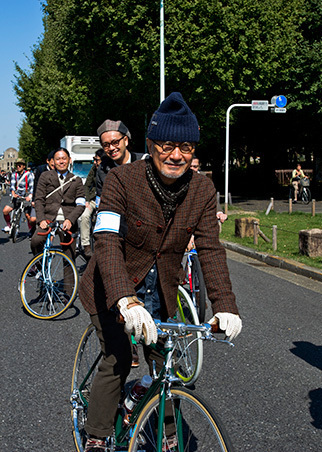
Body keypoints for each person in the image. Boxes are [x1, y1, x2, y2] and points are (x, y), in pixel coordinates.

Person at [77, 92, 242, 451]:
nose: (176, 155)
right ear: (151, 145)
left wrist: (225, 305)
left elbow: (210, 249)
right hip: (110, 286)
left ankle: (169, 438)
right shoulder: (121, 180)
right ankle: (97, 435)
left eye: (186, 146)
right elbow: (105, 241)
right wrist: (125, 299)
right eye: (168, 145)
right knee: (118, 356)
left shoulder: (202, 189)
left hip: (161, 291)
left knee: (164, 366)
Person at [30, 147, 86, 263]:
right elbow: (39, 199)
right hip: (48, 219)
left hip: (67, 221)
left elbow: (80, 205)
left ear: (69, 160)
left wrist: (70, 220)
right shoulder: (45, 176)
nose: (61, 161)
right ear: (53, 162)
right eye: (58, 159)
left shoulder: (76, 180)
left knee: (69, 258)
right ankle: (41, 266)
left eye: (64, 158)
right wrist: (41, 220)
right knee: (35, 241)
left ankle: (70, 281)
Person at [94, 119, 144, 199]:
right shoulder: (103, 169)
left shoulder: (144, 162)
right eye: (106, 145)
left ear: (125, 141)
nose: (111, 148)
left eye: (115, 142)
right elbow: (101, 198)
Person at [76, 149, 105, 259]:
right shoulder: (94, 168)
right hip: (93, 199)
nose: (94, 162)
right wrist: (87, 200)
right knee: (84, 216)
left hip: (108, 201)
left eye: (96, 160)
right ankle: (86, 245)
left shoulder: (110, 168)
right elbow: (87, 185)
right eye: (94, 159)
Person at [2, 158, 36, 234]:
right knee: (5, 211)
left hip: (26, 196)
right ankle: (9, 225)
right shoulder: (14, 174)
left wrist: (30, 196)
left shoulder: (29, 175)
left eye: (20, 165)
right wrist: (13, 193)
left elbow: (32, 187)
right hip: (17, 196)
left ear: (24, 166)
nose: (18, 166)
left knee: (28, 216)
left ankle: (31, 230)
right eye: (17, 165)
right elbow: (12, 185)